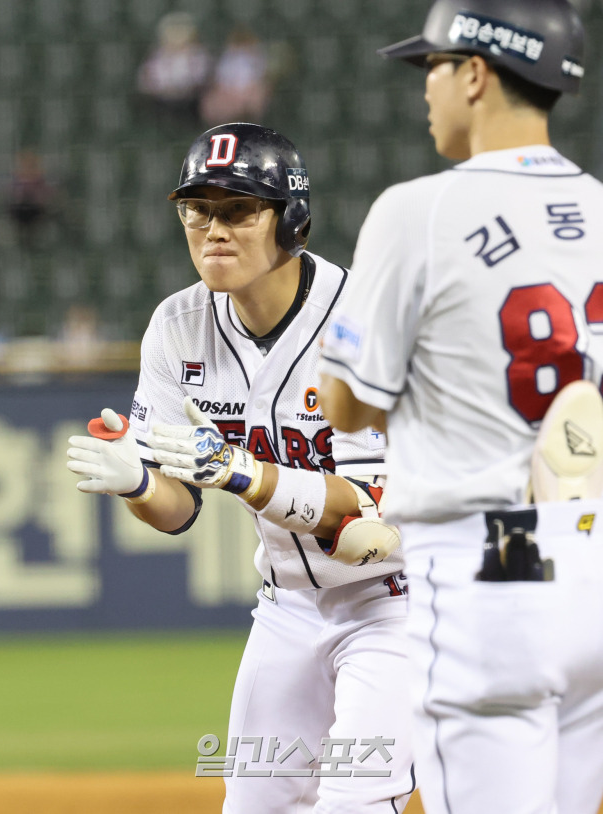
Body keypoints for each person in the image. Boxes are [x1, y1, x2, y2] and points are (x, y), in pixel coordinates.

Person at [66, 123, 415, 813]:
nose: (212, 229)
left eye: (238, 210)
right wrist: (137, 480)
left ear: (291, 222)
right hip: (286, 607)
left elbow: (367, 515)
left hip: (397, 604)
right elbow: (177, 510)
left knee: (353, 802)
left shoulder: (359, 319)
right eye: (198, 210)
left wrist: (239, 471)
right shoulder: (178, 324)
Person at [317, 2, 603, 813]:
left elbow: (347, 405)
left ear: (475, 72)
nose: (426, 88)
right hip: (592, 563)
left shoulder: (418, 211)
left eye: (433, 67)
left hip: (488, 568)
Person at [200, 29, 271, 126]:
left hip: (249, 90)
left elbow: (259, 75)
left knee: (254, 98)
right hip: (228, 91)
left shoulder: (256, 56)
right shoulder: (228, 57)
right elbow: (222, 77)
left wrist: (245, 91)